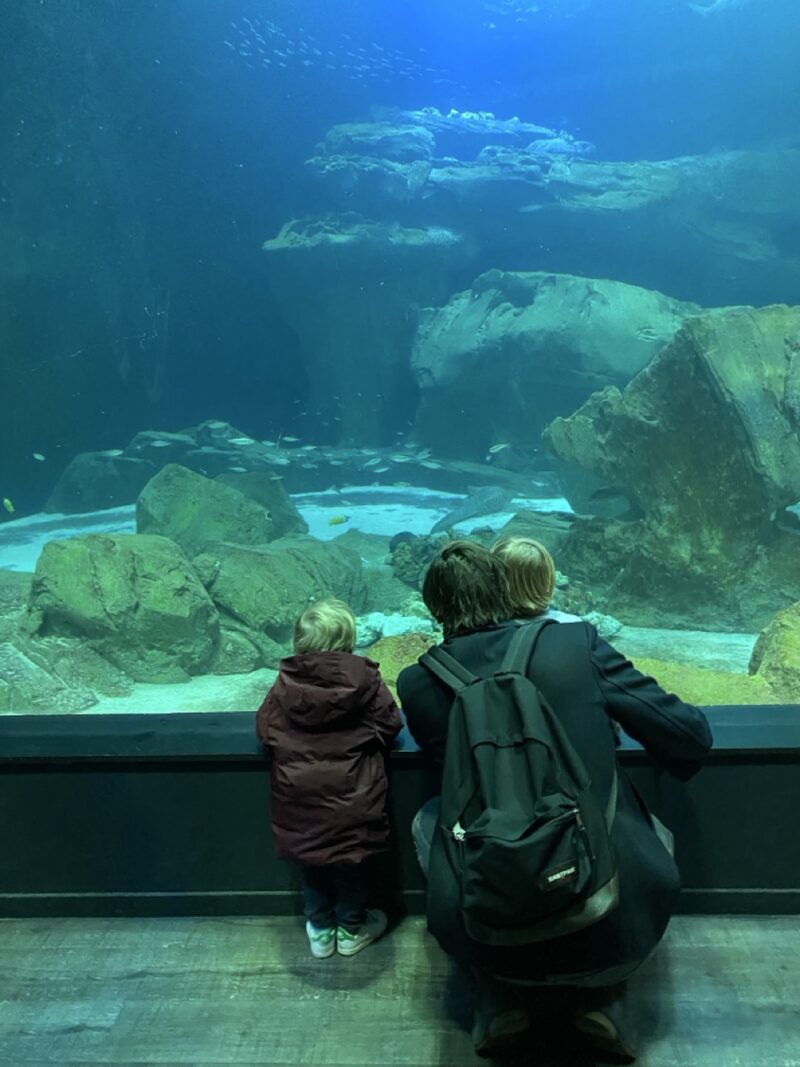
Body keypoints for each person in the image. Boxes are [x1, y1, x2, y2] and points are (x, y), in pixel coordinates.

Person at [397, 541, 713, 1060]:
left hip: (488, 919)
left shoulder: (418, 682)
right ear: (506, 590)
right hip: (605, 903)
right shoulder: (573, 643)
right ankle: (601, 997)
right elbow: (687, 735)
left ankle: (501, 997)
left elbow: (449, 772)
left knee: (431, 821)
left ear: (434, 610)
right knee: (631, 821)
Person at [256, 599, 402, 959]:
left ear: (298, 643)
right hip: (356, 796)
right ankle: (351, 928)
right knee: (352, 862)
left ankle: (321, 931)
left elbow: (266, 730)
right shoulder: (366, 679)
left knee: (312, 862)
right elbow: (391, 723)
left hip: (299, 798)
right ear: (350, 640)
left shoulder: (283, 684)